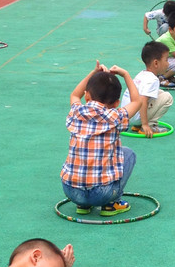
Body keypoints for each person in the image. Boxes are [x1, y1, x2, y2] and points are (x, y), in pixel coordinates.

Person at [60, 61, 148, 217]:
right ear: (116, 103)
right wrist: (126, 74)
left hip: (71, 191)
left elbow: (74, 95)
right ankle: (111, 204)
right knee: (128, 154)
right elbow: (137, 101)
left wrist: (94, 72)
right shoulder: (116, 116)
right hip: (102, 194)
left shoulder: (77, 111)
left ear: (87, 95)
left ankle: (82, 205)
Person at [122, 42, 174, 134]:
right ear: (156, 63)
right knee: (167, 97)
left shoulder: (142, 74)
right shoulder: (153, 80)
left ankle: (138, 125)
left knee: (160, 93)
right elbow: (143, 100)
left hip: (127, 115)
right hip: (135, 116)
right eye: (166, 60)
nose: (168, 63)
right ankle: (150, 125)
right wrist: (145, 124)